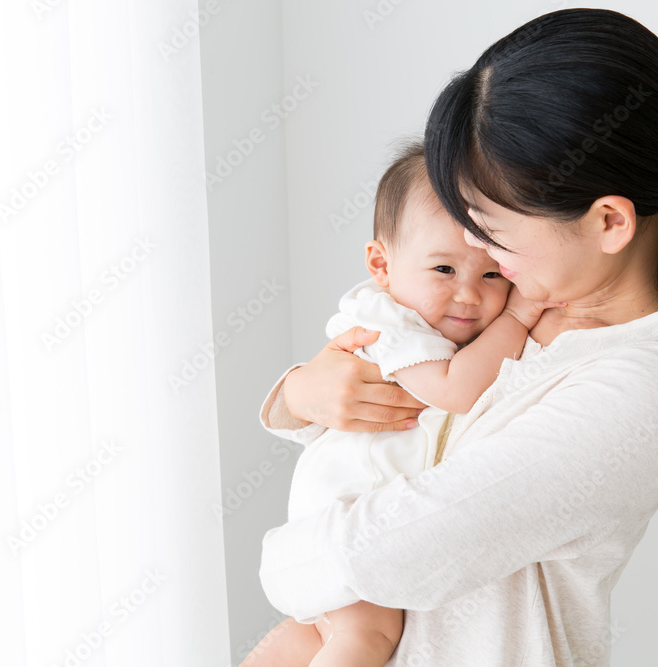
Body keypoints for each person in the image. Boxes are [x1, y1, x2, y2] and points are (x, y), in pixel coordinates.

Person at [251, 8, 658, 666]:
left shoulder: (641, 386)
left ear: (609, 222)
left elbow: (391, 550)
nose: (476, 251)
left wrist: (281, 557)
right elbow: (394, 411)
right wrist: (304, 394)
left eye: (494, 228)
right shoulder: (527, 293)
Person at [240, 142, 563, 667]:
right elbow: (455, 391)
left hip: (354, 508)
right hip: (346, 510)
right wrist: (517, 319)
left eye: (491, 275)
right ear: (381, 265)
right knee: (367, 636)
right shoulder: (389, 323)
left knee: (309, 637)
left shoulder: (438, 330)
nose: (468, 295)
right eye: (443, 270)